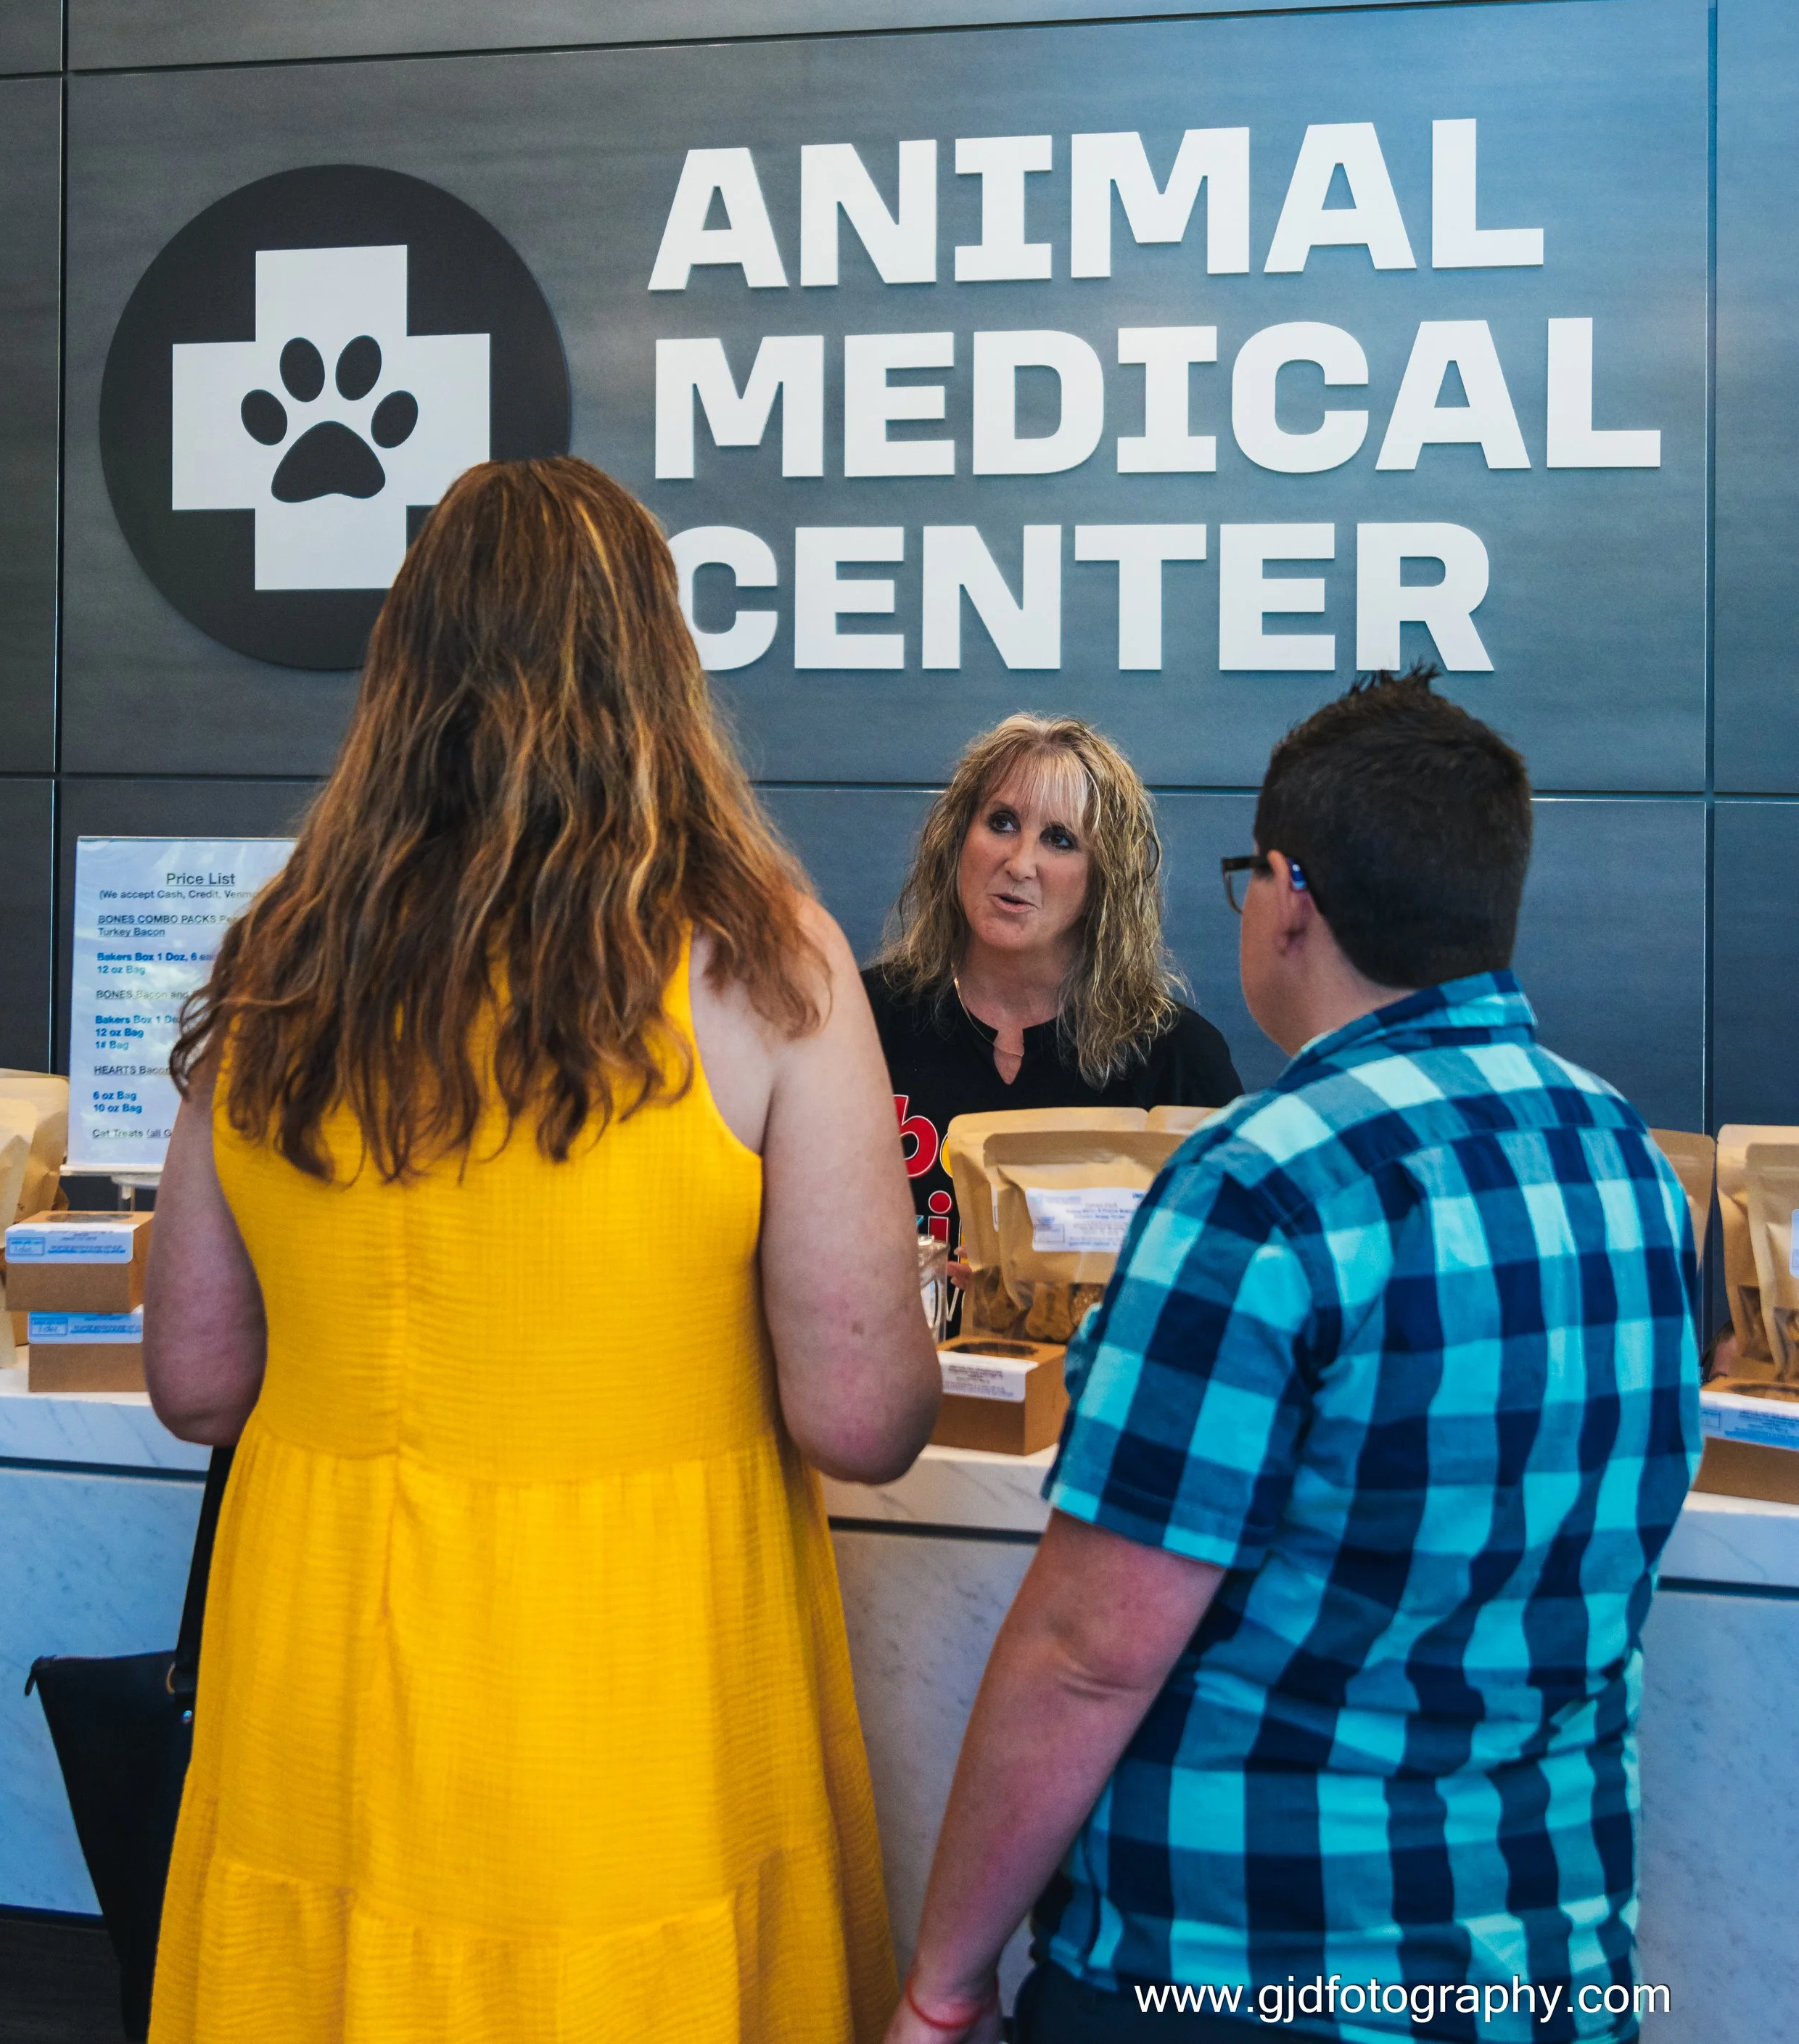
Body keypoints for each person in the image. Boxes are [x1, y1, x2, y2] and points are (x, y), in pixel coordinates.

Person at [141, 456, 939, 2044]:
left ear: (400, 669)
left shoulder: (281, 954)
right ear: (657, 662)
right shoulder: (760, 955)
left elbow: (195, 1379)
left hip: (325, 1682)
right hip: (636, 1687)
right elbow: (861, 1417)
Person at [885, 669, 1701, 2044]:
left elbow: (1091, 1651)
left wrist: (942, 1979)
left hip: (1234, 1965)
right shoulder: (1632, 1162)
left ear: (1289, 892)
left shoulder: (1260, 1183)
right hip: (1545, 1966)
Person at [863, 715, 1240, 1250]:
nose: (1020, 863)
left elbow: (1220, 1273)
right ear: (956, 840)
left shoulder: (1177, 1061)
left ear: (1103, 879)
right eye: (1002, 823)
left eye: (1060, 839)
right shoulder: (861, 1022)